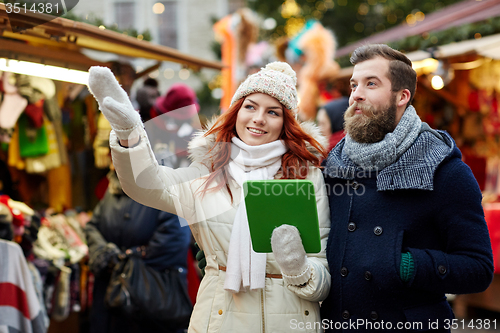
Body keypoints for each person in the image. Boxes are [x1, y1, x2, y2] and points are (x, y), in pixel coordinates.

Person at [87, 61, 331, 333]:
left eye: (273, 112)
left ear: (285, 122)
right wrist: (130, 134)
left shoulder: (305, 175)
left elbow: (322, 276)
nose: (259, 118)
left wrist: (299, 268)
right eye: (250, 106)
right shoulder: (210, 170)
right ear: (236, 111)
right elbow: (148, 184)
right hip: (220, 319)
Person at [320, 44, 494, 332]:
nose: (356, 95)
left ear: (402, 96)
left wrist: (406, 265)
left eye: (371, 83)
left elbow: (478, 268)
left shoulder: (444, 170)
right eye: (354, 85)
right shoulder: (334, 166)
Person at [85, 165, 191, 333]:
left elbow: (175, 237)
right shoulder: (112, 188)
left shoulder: (166, 186)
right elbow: (92, 227)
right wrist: (106, 254)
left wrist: (127, 259)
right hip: (109, 295)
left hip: (151, 296)